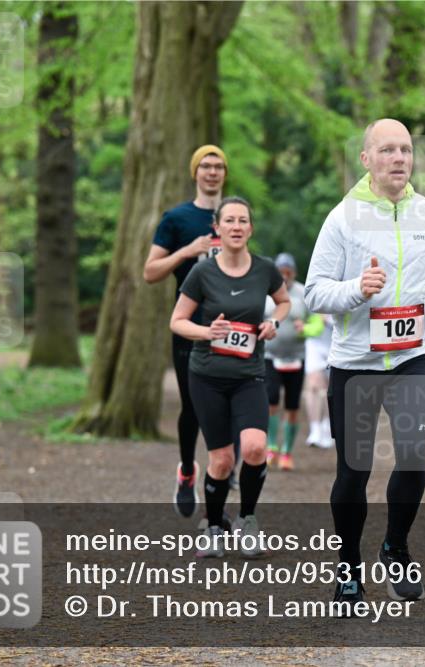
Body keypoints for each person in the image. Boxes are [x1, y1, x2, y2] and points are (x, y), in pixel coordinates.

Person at [305, 118, 425, 612]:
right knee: (354, 471)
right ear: (366, 159)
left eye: (406, 150)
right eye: (388, 150)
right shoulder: (342, 219)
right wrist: (357, 290)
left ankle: (395, 546)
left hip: (412, 357)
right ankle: (348, 568)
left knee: (415, 457)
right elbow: (314, 292)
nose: (399, 158)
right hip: (355, 363)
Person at [170, 196, 290, 558]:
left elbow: (283, 301)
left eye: (243, 221)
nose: (236, 226)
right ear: (217, 229)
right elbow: (177, 321)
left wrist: (274, 322)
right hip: (206, 376)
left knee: (255, 448)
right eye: (230, 221)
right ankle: (213, 527)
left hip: (249, 374)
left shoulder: (265, 269)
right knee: (221, 460)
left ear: (250, 229)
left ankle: (248, 520)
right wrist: (208, 332)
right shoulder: (202, 272)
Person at [144, 144, 227, 517]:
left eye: (218, 166)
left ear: (225, 173)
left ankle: (218, 485)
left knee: (223, 405)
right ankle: (188, 471)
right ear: (195, 173)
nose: (211, 172)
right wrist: (186, 251)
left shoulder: (234, 217)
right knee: (193, 405)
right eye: (205, 166)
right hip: (189, 322)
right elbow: (150, 272)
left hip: (229, 324)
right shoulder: (176, 218)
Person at [263, 253, 309, 471]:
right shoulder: (265, 291)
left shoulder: (303, 293)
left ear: (294, 273)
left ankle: (287, 452)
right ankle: (271, 446)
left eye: (288, 271)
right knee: (271, 401)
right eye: (280, 271)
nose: (284, 275)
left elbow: (317, 322)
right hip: (270, 356)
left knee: (292, 406)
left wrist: (306, 329)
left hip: (296, 357)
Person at [303, 313, 334, 449]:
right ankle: (315, 429)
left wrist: (327, 319)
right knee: (314, 385)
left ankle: (327, 428)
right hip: (315, 342)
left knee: (329, 389)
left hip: (337, 343)